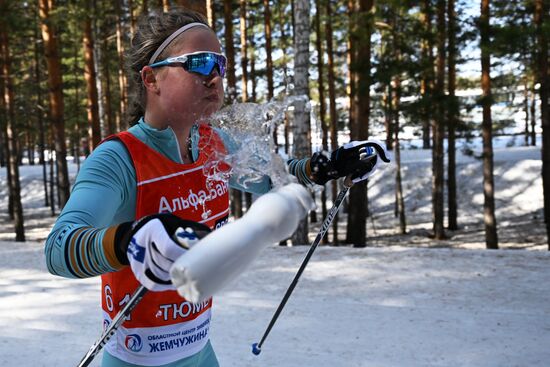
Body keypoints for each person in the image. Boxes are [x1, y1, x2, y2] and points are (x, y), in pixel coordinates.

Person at [45, 7, 380, 367]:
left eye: (220, 64)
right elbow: (59, 248)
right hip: (137, 360)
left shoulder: (213, 145)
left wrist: (323, 168)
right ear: (151, 79)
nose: (215, 77)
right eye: (200, 63)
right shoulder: (119, 159)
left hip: (200, 351)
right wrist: (128, 240)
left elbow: (272, 180)